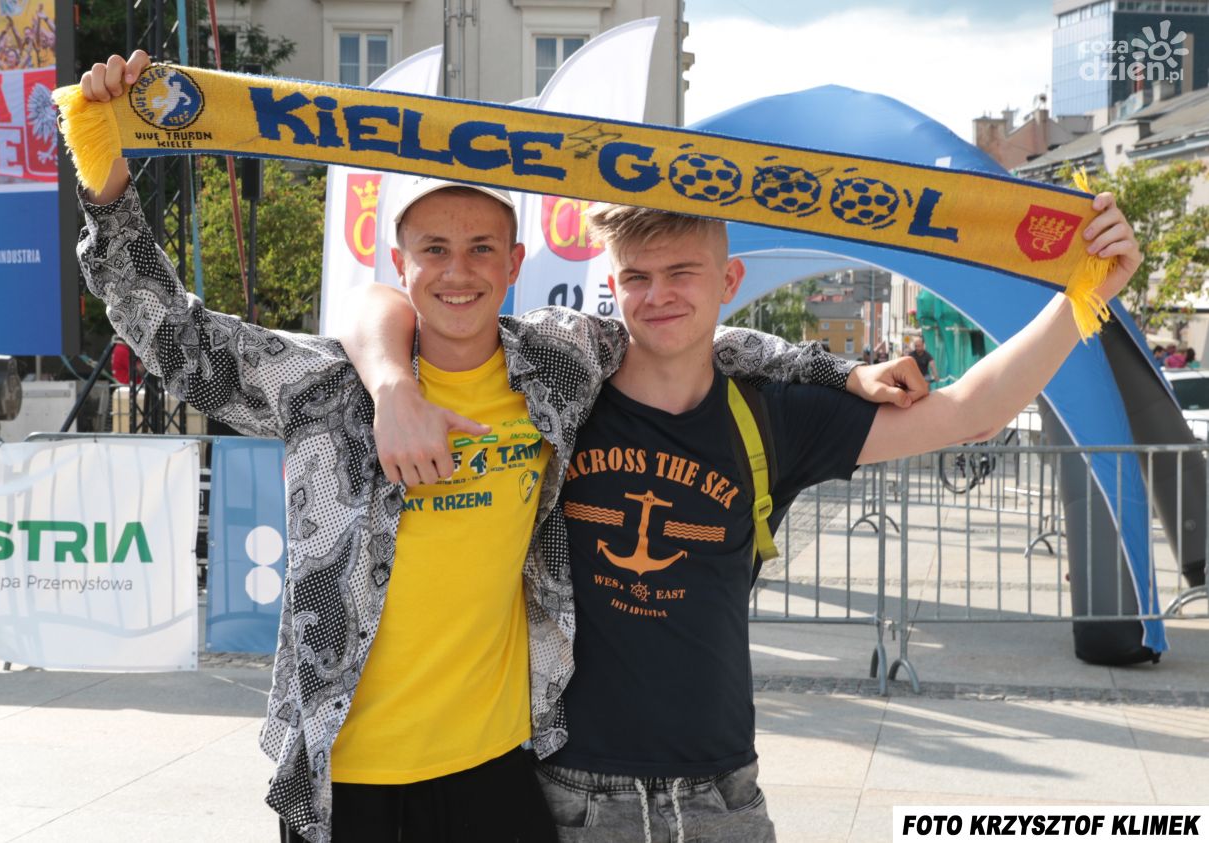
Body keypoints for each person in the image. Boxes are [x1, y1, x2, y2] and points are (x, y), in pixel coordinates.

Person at [75, 50, 925, 843]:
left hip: (500, 772)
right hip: (345, 781)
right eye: (435, 251)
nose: (460, 271)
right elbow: (175, 338)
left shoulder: (557, 367)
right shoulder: (327, 386)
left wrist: (837, 368)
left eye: (482, 248)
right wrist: (103, 168)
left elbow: (686, 331)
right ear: (401, 264)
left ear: (515, 262)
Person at [346, 196, 1140, 841]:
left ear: (728, 279)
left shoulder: (772, 415)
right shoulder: (558, 396)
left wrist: (1085, 295)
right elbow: (380, 301)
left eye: (681, 273)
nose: (658, 295)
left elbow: (970, 411)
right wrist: (391, 383)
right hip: (571, 794)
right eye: (637, 277)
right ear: (613, 285)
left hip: (720, 795)